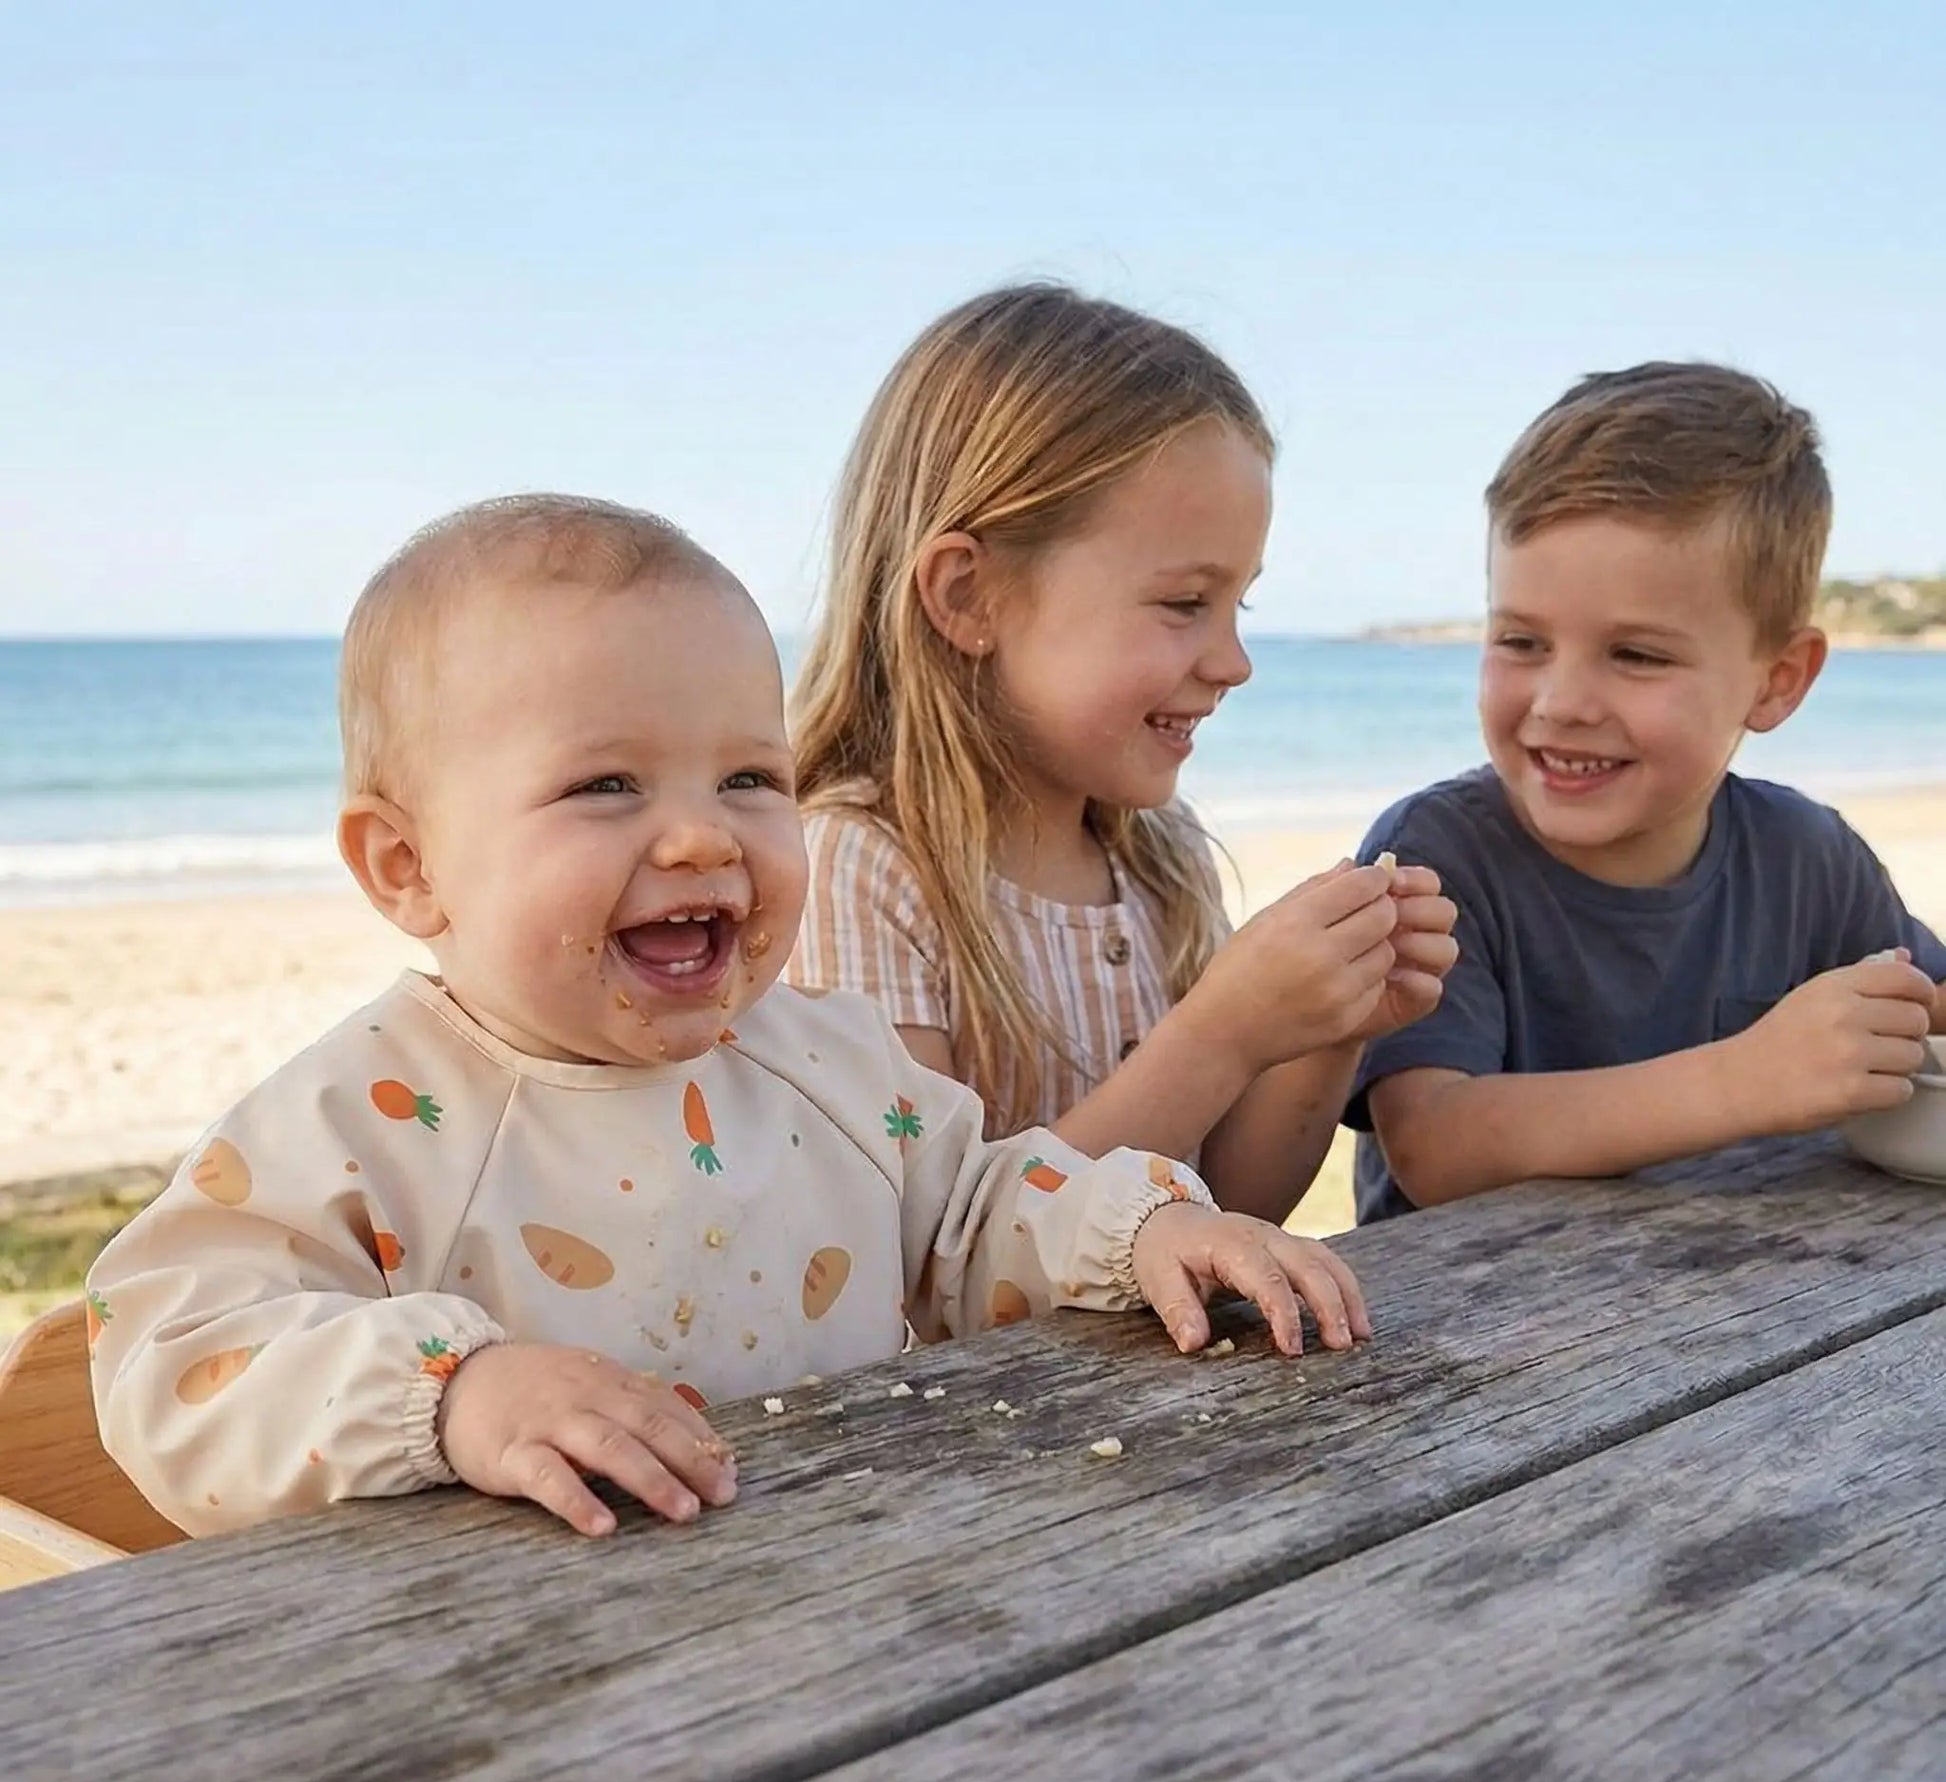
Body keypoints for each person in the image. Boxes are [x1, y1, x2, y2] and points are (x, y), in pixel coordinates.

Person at [88, 494, 1371, 1542]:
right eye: (606, 785)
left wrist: (1140, 1230)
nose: (703, 835)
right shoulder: (364, 1119)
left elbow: (976, 1209)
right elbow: (171, 1353)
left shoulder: (827, 1067)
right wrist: (455, 1391)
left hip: (837, 1582)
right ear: (407, 866)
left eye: (751, 777)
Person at [789, 283, 1457, 1222]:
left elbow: (1227, 1204)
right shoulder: (857, 871)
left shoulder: (1160, 857)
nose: (1234, 662)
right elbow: (925, 1252)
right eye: (1186, 603)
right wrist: (1223, 1033)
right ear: (969, 595)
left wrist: (1323, 1031)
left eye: (1238, 605)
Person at [1347, 362, 1946, 1222]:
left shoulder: (1807, 857)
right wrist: (1747, 1079)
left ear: (1778, 680)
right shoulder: (1436, 856)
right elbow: (1436, 1144)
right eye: (1521, 641)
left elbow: (1928, 1008)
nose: (1561, 702)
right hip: (1475, 1303)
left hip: (1770, 1285)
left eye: (1635, 655)